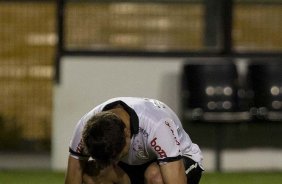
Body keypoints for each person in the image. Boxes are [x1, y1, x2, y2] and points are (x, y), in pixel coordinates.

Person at [65, 97, 204, 184]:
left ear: (126, 134)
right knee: (89, 176)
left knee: (155, 177)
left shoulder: (157, 124)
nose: (112, 163)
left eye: (115, 157)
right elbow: (74, 173)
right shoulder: (85, 127)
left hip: (180, 162)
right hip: (135, 166)